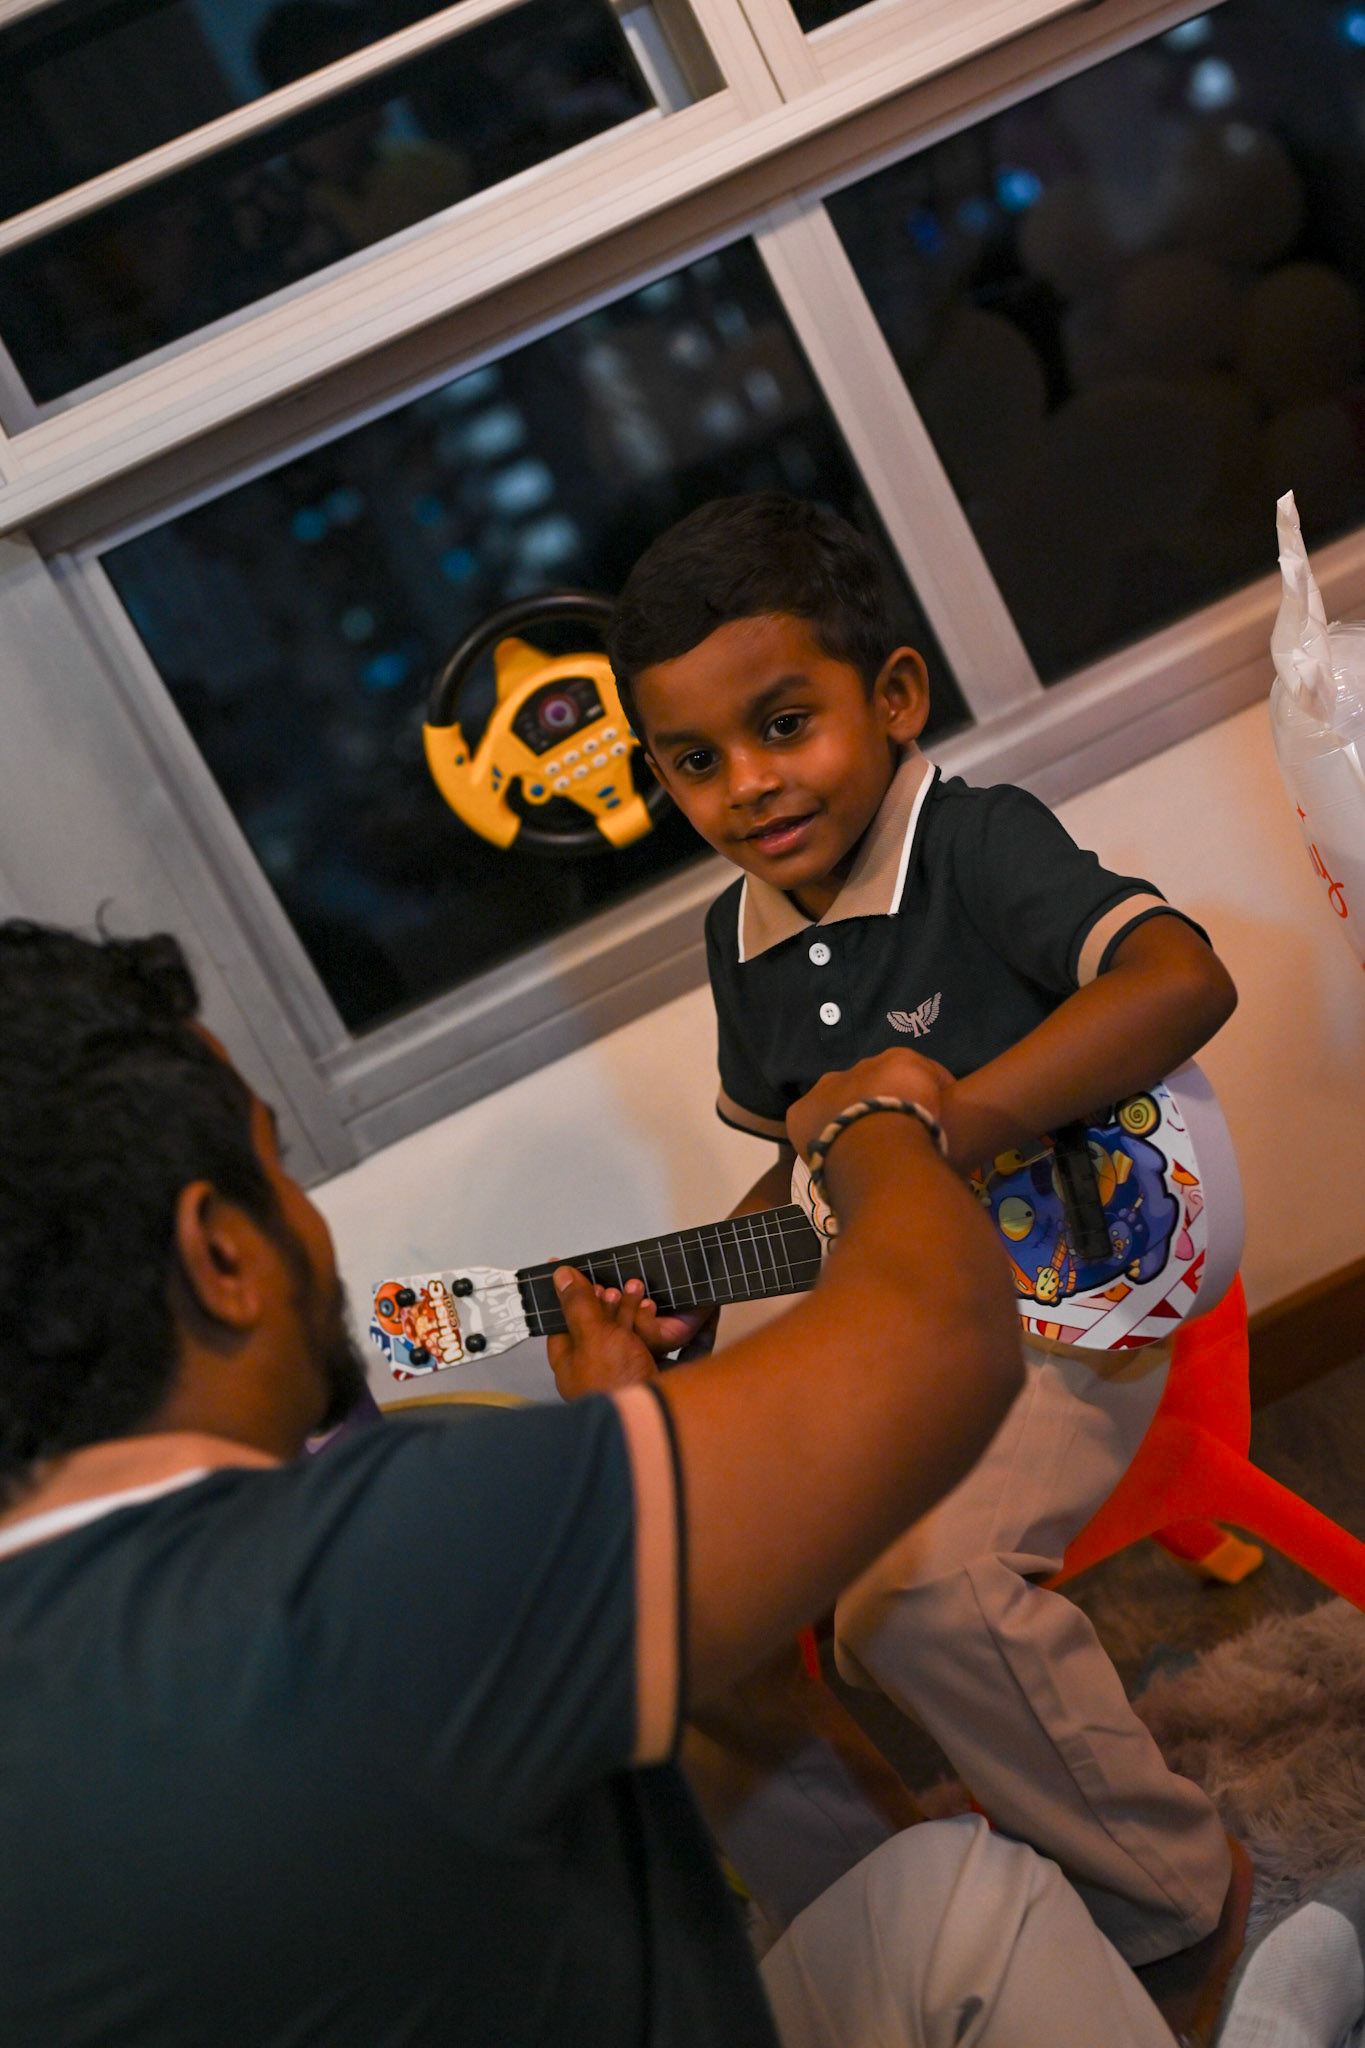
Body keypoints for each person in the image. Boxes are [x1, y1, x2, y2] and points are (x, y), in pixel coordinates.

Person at [0, 917, 1186, 2046]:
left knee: (885, 1868)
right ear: (220, 1252)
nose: (311, 1222)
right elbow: (938, 1334)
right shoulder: (377, 1559)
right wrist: (868, 1124)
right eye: (279, 1165)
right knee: (968, 1901)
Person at [605, 492, 1243, 1972]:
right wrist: (693, 1291)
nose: (748, 785)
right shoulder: (739, 939)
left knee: (921, 1598)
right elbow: (809, 1170)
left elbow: (1181, 979)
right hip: (916, 1323)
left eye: (784, 725)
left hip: (1087, 1292)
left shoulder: (973, 841)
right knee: (728, 1592)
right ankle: (910, 1887)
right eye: (695, 761)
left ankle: (1179, 1899)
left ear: (893, 696)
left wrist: (946, 1123)